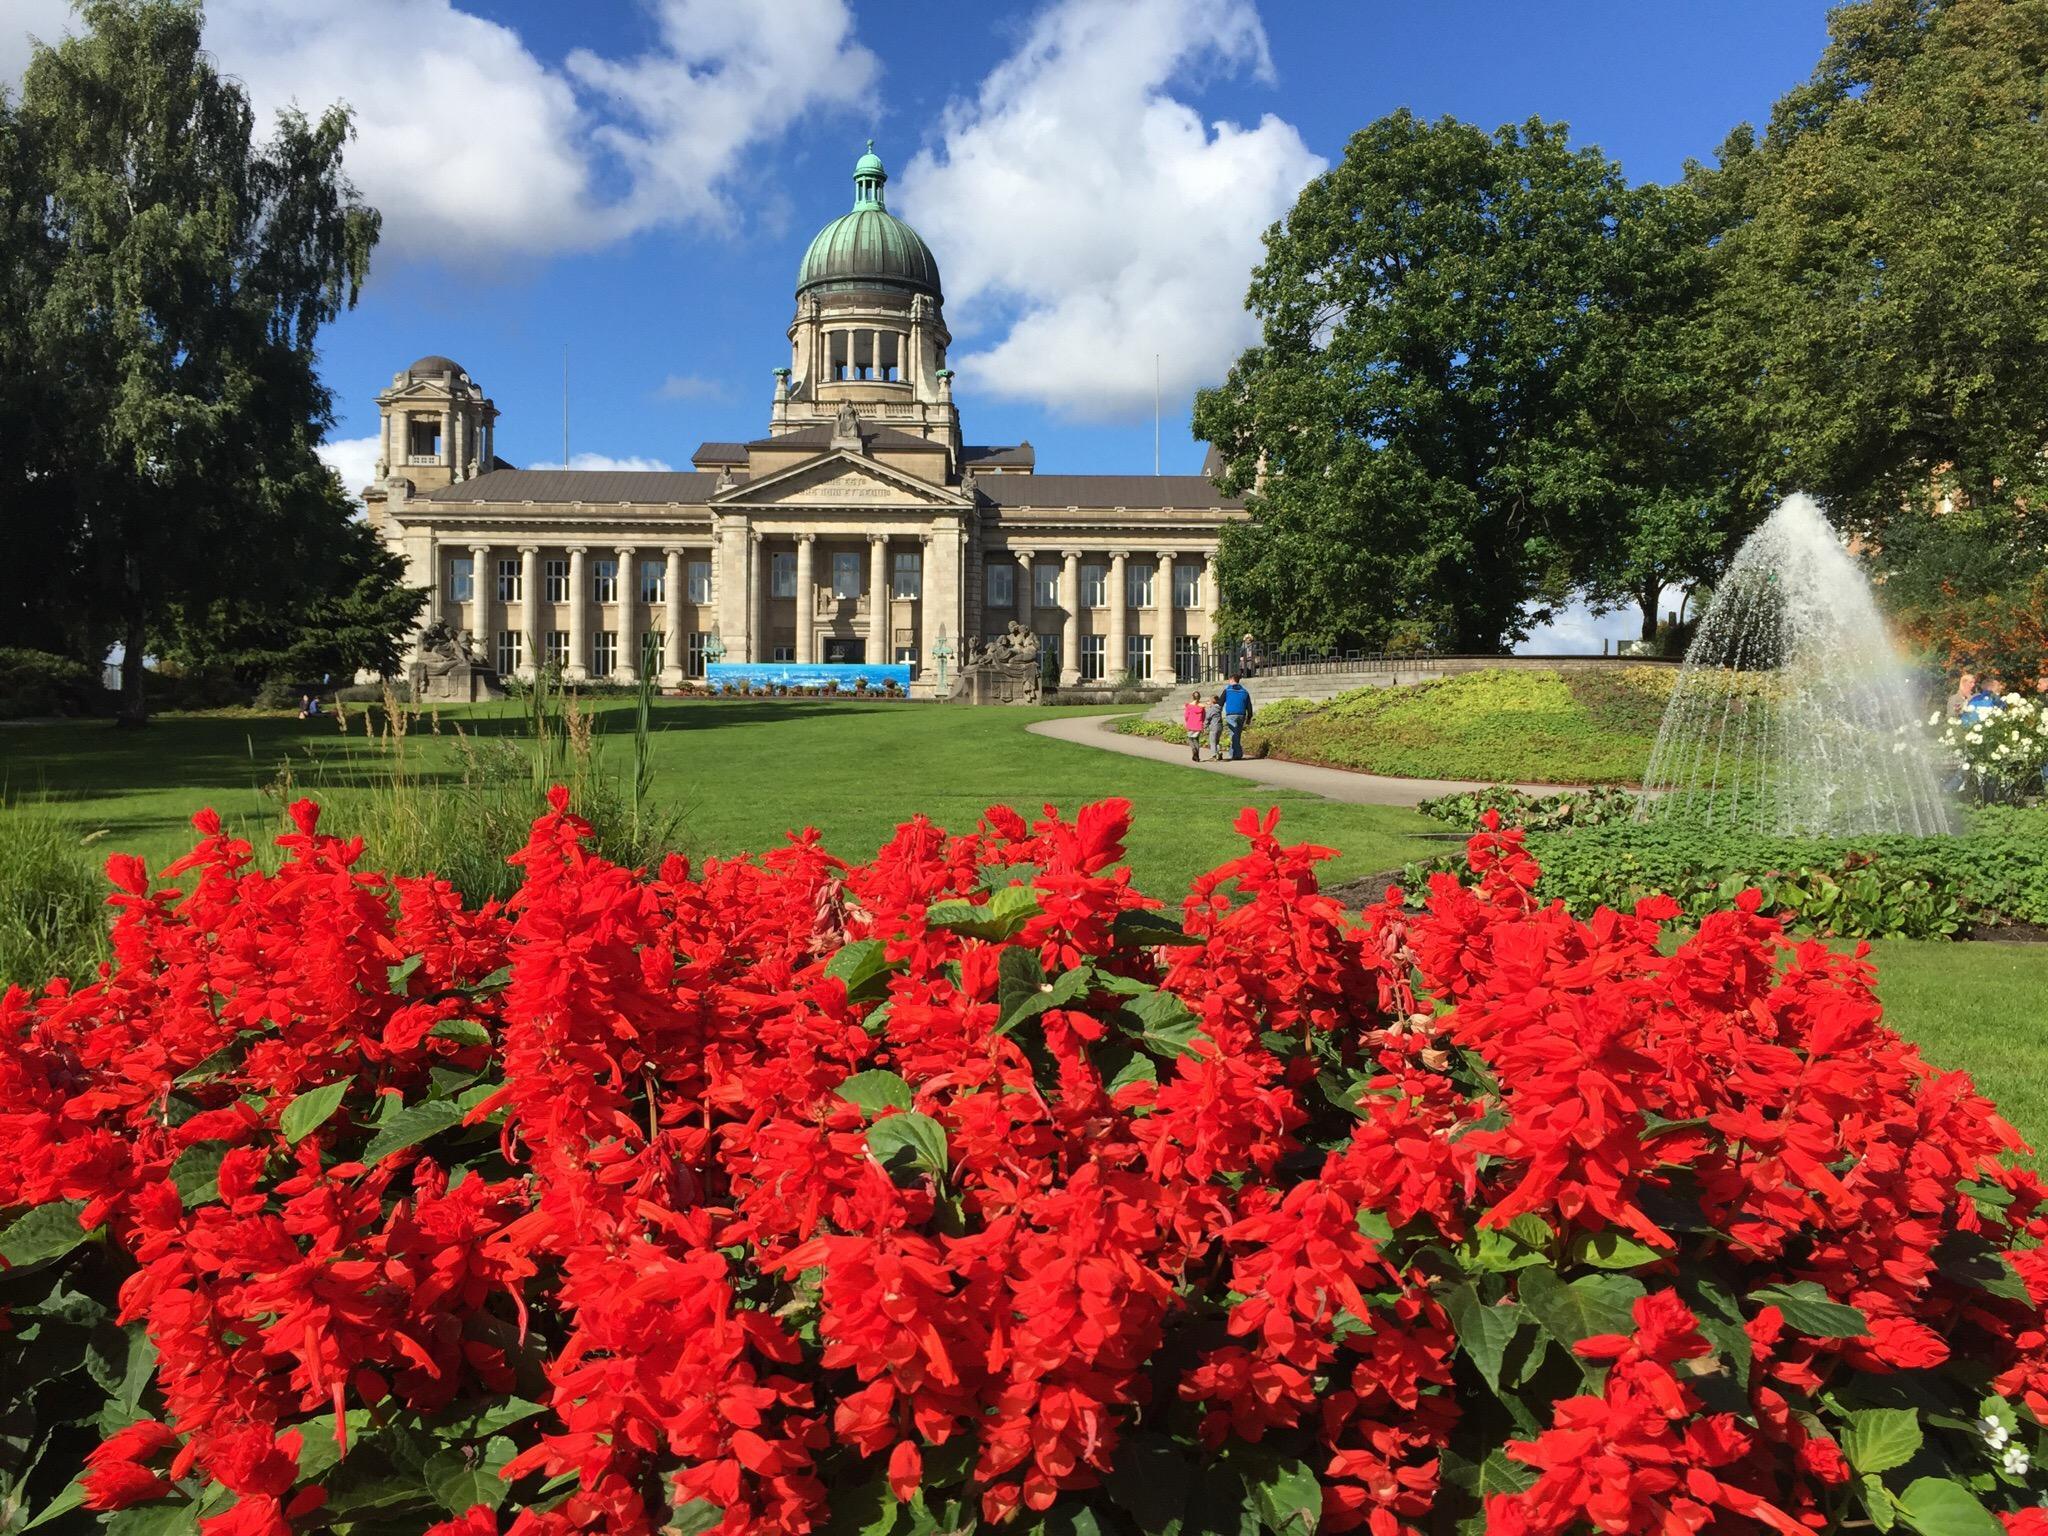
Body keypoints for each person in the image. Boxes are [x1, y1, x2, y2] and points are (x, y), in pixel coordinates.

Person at [1219, 673, 1253, 760]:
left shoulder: (1227, 690)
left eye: (1229, 680)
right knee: (1237, 734)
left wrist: (1217, 714)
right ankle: (1234, 753)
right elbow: (1249, 706)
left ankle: (1237, 754)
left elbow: (1220, 703)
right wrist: (1249, 717)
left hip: (1231, 714)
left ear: (1231, 680)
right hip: (1242, 715)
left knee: (1233, 734)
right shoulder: (1245, 691)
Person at [1181, 691, 1207, 762]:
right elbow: (1204, 716)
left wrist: (1187, 721)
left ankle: (1193, 750)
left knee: (1190, 739)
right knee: (1196, 740)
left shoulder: (1189, 706)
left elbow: (1186, 716)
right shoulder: (1201, 707)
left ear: (1192, 697)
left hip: (1190, 724)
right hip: (1198, 725)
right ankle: (1197, 756)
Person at [1203, 691, 1224, 760]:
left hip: (1214, 726)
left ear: (1212, 701)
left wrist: (1205, 726)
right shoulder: (1219, 708)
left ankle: (1213, 756)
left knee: (1212, 741)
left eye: (1209, 700)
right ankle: (1219, 752)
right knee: (1217, 741)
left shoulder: (1212, 709)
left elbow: (1207, 718)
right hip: (1220, 726)